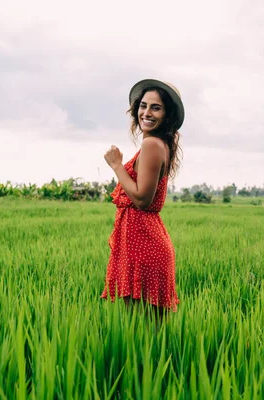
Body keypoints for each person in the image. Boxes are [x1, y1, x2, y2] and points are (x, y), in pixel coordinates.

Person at [101, 79, 185, 317]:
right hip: (142, 241)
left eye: (155, 107)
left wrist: (117, 165)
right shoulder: (158, 144)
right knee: (147, 334)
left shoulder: (151, 144)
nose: (146, 113)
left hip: (144, 246)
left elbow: (141, 199)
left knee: (142, 331)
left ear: (167, 114)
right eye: (143, 106)